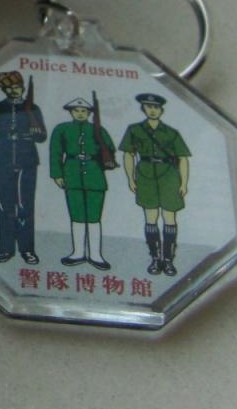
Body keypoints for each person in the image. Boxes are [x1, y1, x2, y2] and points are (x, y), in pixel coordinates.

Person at [119, 93, 191, 276]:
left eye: (156, 107)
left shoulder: (171, 133)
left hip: (169, 176)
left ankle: (168, 260)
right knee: (150, 218)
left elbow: (183, 158)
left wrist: (184, 183)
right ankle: (155, 258)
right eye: (148, 107)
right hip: (145, 176)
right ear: (143, 108)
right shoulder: (135, 130)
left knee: (169, 218)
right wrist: (130, 178)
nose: (152, 110)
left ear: (161, 110)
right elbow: (128, 155)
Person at [0, 71, 46, 264]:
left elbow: (42, 136)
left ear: (23, 87)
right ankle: (5, 250)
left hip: (27, 161)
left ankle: (27, 250)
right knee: (5, 206)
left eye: (17, 87)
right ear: (4, 90)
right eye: (9, 88)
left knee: (26, 206)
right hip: (3, 160)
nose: (14, 90)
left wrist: (32, 131)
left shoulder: (33, 108)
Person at [49, 97, 116, 270]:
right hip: (72, 174)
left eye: (84, 111)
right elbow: (55, 152)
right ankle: (78, 253)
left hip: (95, 175)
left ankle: (96, 255)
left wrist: (102, 153)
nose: (80, 114)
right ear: (71, 112)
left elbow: (110, 149)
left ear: (89, 113)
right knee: (77, 216)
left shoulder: (98, 130)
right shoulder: (62, 129)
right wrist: (57, 174)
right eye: (76, 111)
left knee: (94, 217)